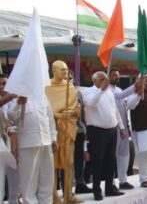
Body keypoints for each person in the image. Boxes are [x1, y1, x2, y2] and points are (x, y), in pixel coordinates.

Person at [83, 72, 126, 200]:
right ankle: (96, 190)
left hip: (112, 130)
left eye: (105, 79)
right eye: (102, 79)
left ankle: (109, 188)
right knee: (98, 161)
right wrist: (101, 89)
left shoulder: (109, 93)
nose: (105, 82)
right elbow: (91, 103)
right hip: (97, 131)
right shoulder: (88, 91)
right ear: (94, 80)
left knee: (110, 161)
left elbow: (115, 111)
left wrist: (122, 127)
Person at [44, 60, 82, 204]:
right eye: (62, 70)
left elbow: (76, 109)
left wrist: (72, 112)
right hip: (53, 130)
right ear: (54, 70)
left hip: (67, 129)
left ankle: (68, 195)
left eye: (66, 70)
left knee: (69, 163)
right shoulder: (46, 87)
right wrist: (58, 115)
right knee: (53, 165)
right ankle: (54, 197)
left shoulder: (70, 87)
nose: (65, 73)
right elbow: (45, 109)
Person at [8, 95, 57, 204]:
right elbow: (10, 116)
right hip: (28, 143)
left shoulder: (42, 96)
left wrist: (53, 138)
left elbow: (49, 117)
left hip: (46, 141)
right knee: (29, 182)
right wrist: (19, 103)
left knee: (47, 181)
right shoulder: (15, 97)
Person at [108, 68, 137, 190]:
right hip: (113, 127)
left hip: (124, 127)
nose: (117, 77)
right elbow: (120, 95)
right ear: (108, 76)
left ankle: (123, 180)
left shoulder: (119, 89)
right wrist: (136, 85)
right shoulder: (107, 90)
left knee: (124, 154)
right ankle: (111, 182)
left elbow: (125, 105)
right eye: (114, 75)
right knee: (112, 155)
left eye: (118, 75)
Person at [0, 74, 18, 204]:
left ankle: (14, 200)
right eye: (0, 84)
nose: (2, 87)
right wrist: (10, 96)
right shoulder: (9, 98)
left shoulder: (13, 101)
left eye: (4, 83)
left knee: (15, 170)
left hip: (9, 140)